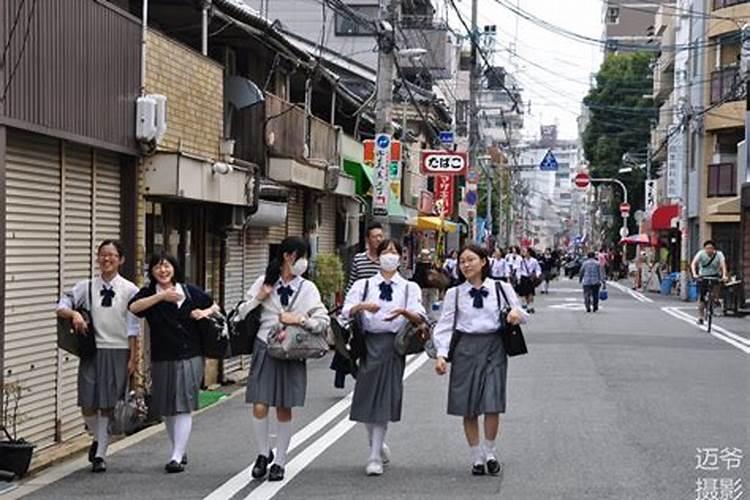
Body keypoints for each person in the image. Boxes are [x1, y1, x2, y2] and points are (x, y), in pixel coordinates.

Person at [234, 237, 330, 482]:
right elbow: (240, 313)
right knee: (259, 403)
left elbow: (323, 322)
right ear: (287, 256)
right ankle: (262, 454)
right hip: (265, 347)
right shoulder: (264, 281)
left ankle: (280, 461)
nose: (304, 262)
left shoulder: (308, 288)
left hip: (292, 350)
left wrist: (299, 320)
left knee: (284, 407)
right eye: (301, 256)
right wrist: (260, 297)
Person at [432, 245, 528, 476]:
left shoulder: (501, 288)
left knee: (492, 402)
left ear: (484, 261)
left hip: (494, 347)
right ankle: (476, 457)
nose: (466, 265)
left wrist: (517, 315)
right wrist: (441, 355)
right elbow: (445, 326)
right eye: (462, 261)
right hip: (465, 348)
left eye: (471, 260)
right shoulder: (455, 294)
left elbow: (520, 312)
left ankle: (490, 452)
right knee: (469, 405)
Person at [341, 239, 427, 476]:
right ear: (377, 257)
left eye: (394, 252)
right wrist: (361, 307)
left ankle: (374, 455)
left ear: (401, 257)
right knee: (367, 397)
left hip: (394, 346)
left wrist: (404, 312)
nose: (390, 256)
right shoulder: (363, 285)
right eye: (385, 252)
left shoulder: (409, 287)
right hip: (367, 345)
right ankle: (376, 443)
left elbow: (420, 315)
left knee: (383, 400)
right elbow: (344, 311)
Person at [128, 253, 220, 474]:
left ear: (174, 268)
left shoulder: (188, 291)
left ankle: (176, 456)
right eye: (158, 267)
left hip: (191, 355)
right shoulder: (149, 294)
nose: (163, 271)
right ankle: (178, 447)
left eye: (167, 266)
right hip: (162, 357)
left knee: (183, 405)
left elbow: (215, 306)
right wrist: (161, 298)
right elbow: (133, 308)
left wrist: (204, 312)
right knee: (167, 407)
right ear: (152, 272)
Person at [56, 240, 139, 473]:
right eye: (103, 255)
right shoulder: (86, 286)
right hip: (92, 351)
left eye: (112, 255)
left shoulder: (130, 289)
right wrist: (74, 313)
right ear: (97, 258)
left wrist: (134, 357)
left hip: (118, 350)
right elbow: (61, 305)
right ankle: (96, 438)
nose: (107, 259)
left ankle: (101, 453)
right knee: (88, 403)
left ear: (120, 260)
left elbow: (134, 328)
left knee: (107, 404)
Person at [332, 223, 386, 388]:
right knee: (353, 339)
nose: (378, 239)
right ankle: (346, 369)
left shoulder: (385, 262)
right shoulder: (359, 259)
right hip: (359, 308)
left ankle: (357, 370)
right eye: (375, 236)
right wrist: (345, 305)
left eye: (380, 236)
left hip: (378, 309)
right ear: (367, 239)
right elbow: (352, 282)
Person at [690, 240, 729, 325]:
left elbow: (723, 265)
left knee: (717, 287)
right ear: (704, 249)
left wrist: (724, 275)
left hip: (715, 275)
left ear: (714, 249)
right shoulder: (701, 254)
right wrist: (694, 274)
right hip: (703, 276)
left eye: (711, 248)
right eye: (707, 248)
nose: (709, 250)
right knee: (702, 298)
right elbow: (693, 264)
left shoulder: (719, 254)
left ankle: (715, 300)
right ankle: (700, 317)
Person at [515, 247, 542, 313]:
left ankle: (530, 306)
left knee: (530, 293)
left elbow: (538, 269)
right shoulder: (521, 261)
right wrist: (518, 278)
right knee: (524, 293)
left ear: (529, 253)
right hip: (523, 277)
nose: (524, 253)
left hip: (530, 278)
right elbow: (518, 270)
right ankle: (525, 306)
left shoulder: (534, 261)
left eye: (525, 251)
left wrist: (537, 275)